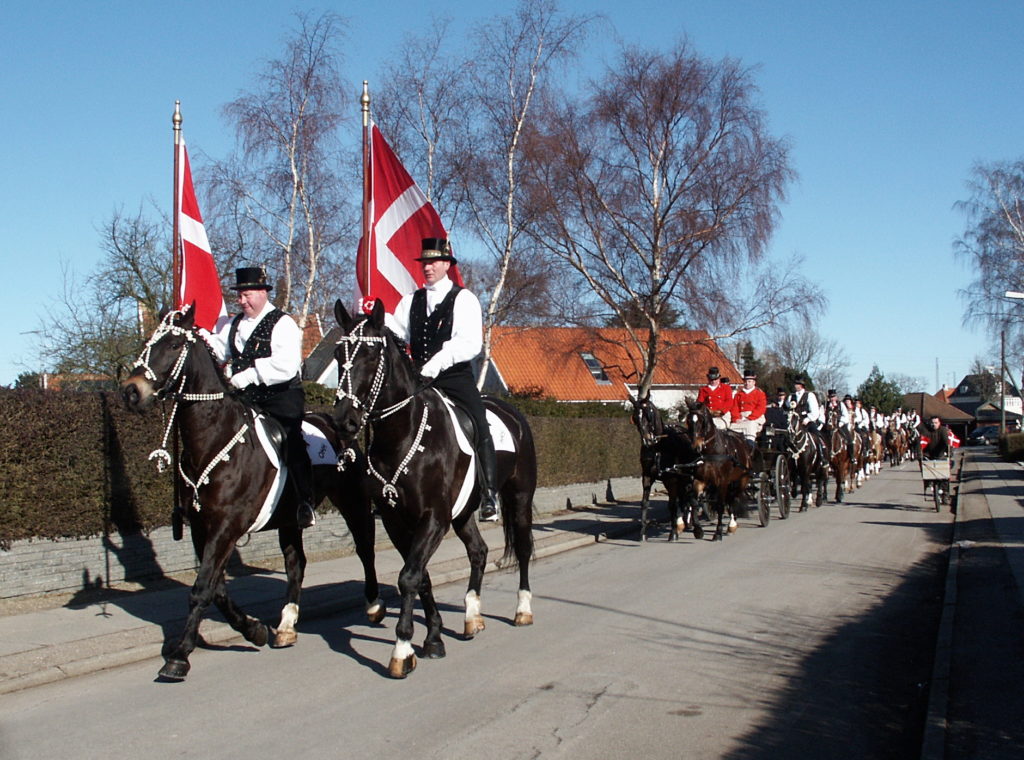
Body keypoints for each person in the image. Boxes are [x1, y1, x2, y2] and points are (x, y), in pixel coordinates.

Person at [385, 238, 499, 522]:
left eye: (433, 262)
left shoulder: (464, 299)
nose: (428, 267)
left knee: (478, 423)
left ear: (447, 264)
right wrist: (375, 319)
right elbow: (397, 333)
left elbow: (470, 343)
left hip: (454, 379)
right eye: (424, 263)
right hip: (418, 380)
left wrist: (436, 364)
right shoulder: (411, 300)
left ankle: (489, 493)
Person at [208, 267, 316, 528]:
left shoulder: (283, 323)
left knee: (291, 438)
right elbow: (217, 351)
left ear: (262, 293)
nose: (242, 301)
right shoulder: (234, 325)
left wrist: (248, 375)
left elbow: (287, 366)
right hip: (245, 399)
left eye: (247, 295)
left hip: (280, 397)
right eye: (240, 296)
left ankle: (305, 501)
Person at [728, 369, 767, 444]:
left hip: (754, 418)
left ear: (754, 382)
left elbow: (760, 408)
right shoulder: (738, 394)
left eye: (749, 381)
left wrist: (749, 418)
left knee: (750, 426)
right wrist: (736, 418)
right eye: (745, 381)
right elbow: (734, 408)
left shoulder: (759, 394)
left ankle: (750, 446)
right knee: (730, 428)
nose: (747, 383)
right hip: (740, 417)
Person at [696, 366, 734, 430]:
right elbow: (699, 403)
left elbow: (729, 402)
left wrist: (721, 411)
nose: (713, 381)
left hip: (722, 416)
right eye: (711, 379)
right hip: (708, 415)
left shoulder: (726, 388)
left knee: (716, 427)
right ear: (708, 379)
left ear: (719, 378)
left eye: (715, 379)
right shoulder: (703, 390)